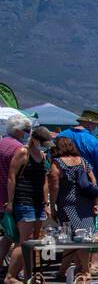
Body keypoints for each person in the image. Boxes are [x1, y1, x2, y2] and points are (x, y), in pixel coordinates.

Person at [3, 126, 55, 284]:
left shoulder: (42, 155)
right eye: (43, 142)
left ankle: (29, 275)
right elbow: (11, 178)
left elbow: (44, 181)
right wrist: (10, 201)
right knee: (24, 240)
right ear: (34, 140)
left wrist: (46, 203)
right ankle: (10, 276)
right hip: (23, 201)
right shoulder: (23, 153)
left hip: (38, 202)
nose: (44, 146)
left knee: (35, 241)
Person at [48, 136, 98, 280]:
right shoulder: (82, 161)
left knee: (77, 239)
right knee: (77, 238)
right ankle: (63, 271)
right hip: (86, 202)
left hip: (68, 204)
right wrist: (95, 202)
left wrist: (52, 207)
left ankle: (85, 270)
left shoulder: (57, 163)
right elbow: (93, 182)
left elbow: (55, 186)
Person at [0, 115, 32, 270]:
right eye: (26, 130)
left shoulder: (2, 143)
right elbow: (13, 177)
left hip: (2, 195)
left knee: (8, 234)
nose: (27, 133)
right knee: (20, 237)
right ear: (18, 130)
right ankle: (14, 273)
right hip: (13, 197)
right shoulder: (18, 149)